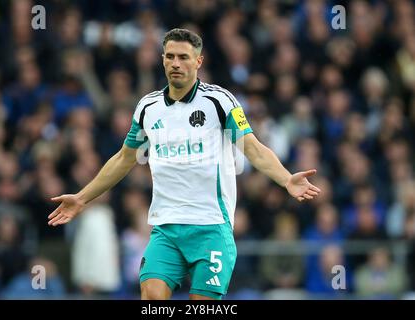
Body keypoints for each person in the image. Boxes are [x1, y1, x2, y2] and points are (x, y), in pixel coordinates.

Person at [47, 28, 321, 300]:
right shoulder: (147, 107)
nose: (175, 63)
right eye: (169, 56)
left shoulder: (220, 102)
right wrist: (83, 198)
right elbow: (124, 158)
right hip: (166, 229)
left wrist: (286, 179)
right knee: (152, 298)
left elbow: (254, 149)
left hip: (211, 227)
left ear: (198, 62)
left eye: (183, 57)